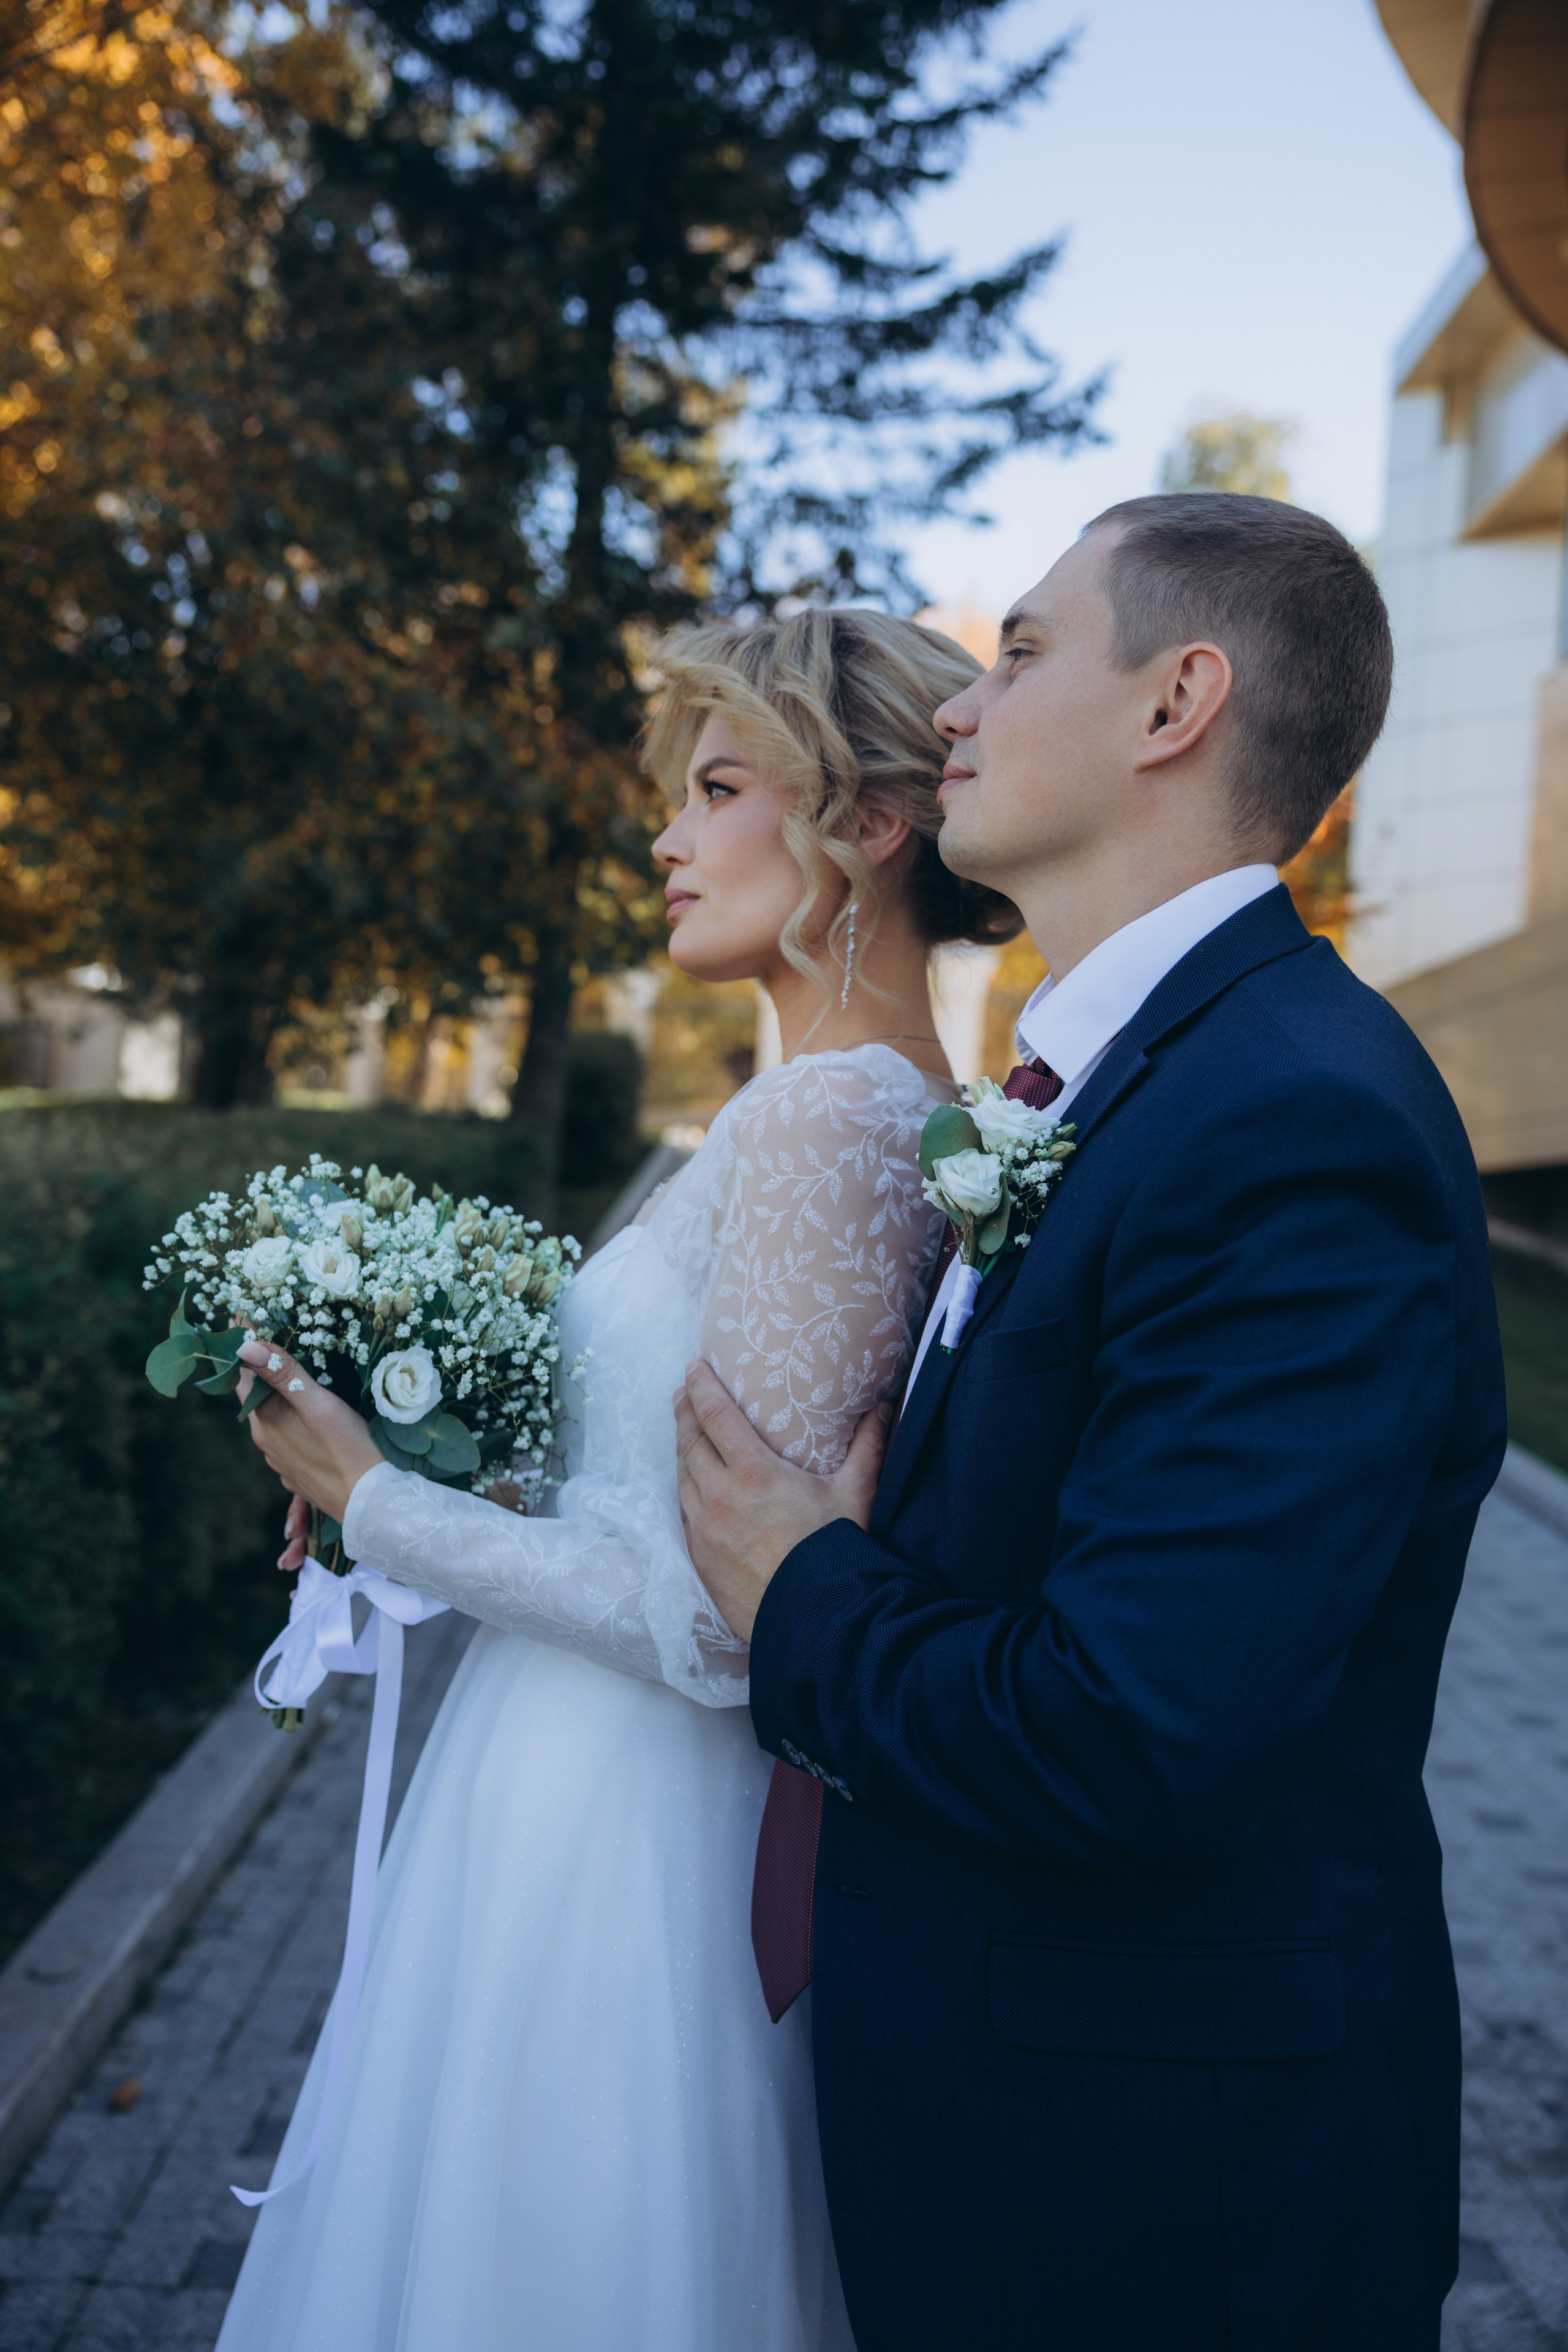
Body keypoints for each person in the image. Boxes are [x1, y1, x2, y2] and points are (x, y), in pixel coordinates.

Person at [674, 494, 1509, 2352]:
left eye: (1026, 651)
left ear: (1176, 705)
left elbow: (1133, 1733)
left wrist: (802, 1584)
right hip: (1035, 2141)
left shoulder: (1298, 1126)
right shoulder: (1123, 1081)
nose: (961, 707)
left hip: (1155, 2198)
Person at [217, 608, 1021, 2352]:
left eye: (720, 786)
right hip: (569, 1783)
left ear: (872, 824)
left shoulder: (833, 1121)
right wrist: (452, 1459)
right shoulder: (812, 1106)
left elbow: (728, 1629)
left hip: (636, 1834)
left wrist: (378, 1500)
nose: (665, 837)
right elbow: (663, 1497)